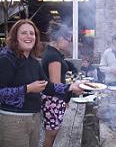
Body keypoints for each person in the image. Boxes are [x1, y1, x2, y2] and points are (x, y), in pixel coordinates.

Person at [0, 19, 83, 147]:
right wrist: (27, 88)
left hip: (34, 118)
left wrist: (70, 87)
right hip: (13, 120)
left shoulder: (33, 62)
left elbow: (48, 86)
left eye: (32, 33)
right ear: (15, 36)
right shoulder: (7, 58)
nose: (29, 36)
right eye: (24, 33)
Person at [41, 21, 77, 147]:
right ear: (61, 39)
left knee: (52, 134)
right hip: (53, 102)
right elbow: (56, 86)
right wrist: (66, 98)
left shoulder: (53, 53)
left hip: (54, 100)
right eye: (69, 40)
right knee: (51, 135)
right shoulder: (53, 57)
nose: (69, 43)